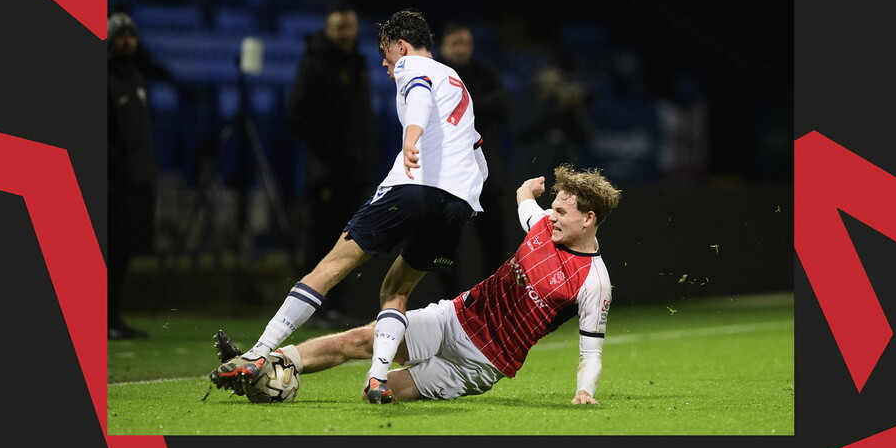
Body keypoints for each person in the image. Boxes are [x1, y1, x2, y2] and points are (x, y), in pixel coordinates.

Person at [210, 9, 488, 403]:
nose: (385, 63)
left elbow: (420, 94)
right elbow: (479, 153)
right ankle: (378, 378)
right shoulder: (458, 80)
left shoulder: (413, 65)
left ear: (401, 45)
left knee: (330, 267)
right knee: (395, 290)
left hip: (414, 185)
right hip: (458, 204)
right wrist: (470, 201)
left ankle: (256, 354)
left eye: (385, 53)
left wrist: (412, 137)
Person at [213, 165, 622, 404]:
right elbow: (526, 205)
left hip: (479, 364)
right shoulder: (542, 229)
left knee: (375, 393)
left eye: (562, 211)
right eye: (552, 207)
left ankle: (270, 373)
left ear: (588, 220)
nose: (551, 215)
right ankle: (265, 363)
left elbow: (591, 352)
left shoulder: (594, 281)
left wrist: (584, 392)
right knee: (362, 339)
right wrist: (524, 190)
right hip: (454, 317)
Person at [286, 4, 378, 328]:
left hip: (352, 173)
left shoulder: (358, 62)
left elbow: (363, 121)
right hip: (326, 171)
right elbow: (297, 116)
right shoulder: (315, 61)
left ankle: (336, 307)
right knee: (322, 239)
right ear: (328, 29)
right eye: (339, 28)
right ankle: (315, 309)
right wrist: (337, 150)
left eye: (349, 27)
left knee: (347, 241)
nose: (345, 34)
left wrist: (363, 161)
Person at [437, 22, 512, 295]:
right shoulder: (437, 74)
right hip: (447, 171)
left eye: (465, 43)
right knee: (444, 242)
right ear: (442, 46)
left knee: (494, 239)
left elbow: (503, 104)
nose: (461, 49)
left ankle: (490, 298)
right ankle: (449, 303)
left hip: (485, 170)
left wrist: (465, 107)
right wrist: (477, 109)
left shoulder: (484, 71)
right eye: (455, 44)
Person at [107, 11, 156, 340]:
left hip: (134, 182)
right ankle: (103, 318)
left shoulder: (137, 77)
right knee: (107, 252)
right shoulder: (104, 77)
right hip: (111, 181)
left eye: (131, 35)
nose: (127, 40)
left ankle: (113, 318)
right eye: (120, 35)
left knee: (122, 253)